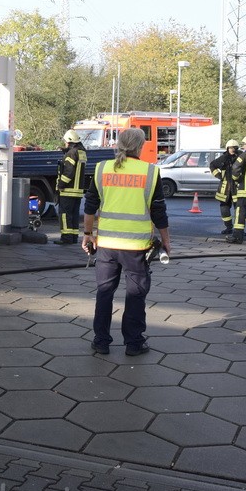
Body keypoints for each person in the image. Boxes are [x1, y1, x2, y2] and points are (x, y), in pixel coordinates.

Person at [82, 128, 170, 357]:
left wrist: (88, 234)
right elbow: (158, 211)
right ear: (140, 146)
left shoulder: (102, 168)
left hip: (107, 245)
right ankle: (134, 343)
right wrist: (166, 241)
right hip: (136, 248)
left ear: (118, 144)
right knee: (135, 295)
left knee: (104, 292)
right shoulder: (150, 172)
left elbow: (90, 205)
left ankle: (101, 341)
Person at [56, 129, 88, 244]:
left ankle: (66, 238)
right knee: (74, 215)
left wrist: (61, 185)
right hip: (78, 190)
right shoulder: (81, 152)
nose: (65, 144)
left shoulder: (71, 153)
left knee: (65, 214)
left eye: (65, 142)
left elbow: (69, 172)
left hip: (68, 190)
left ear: (69, 141)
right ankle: (73, 237)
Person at [209, 139, 239, 235]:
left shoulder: (240, 157)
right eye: (230, 148)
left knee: (239, 209)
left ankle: (239, 230)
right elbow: (212, 165)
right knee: (224, 208)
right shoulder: (224, 158)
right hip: (224, 188)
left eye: (234, 148)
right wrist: (218, 175)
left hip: (236, 187)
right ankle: (228, 227)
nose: (232, 150)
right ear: (227, 148)